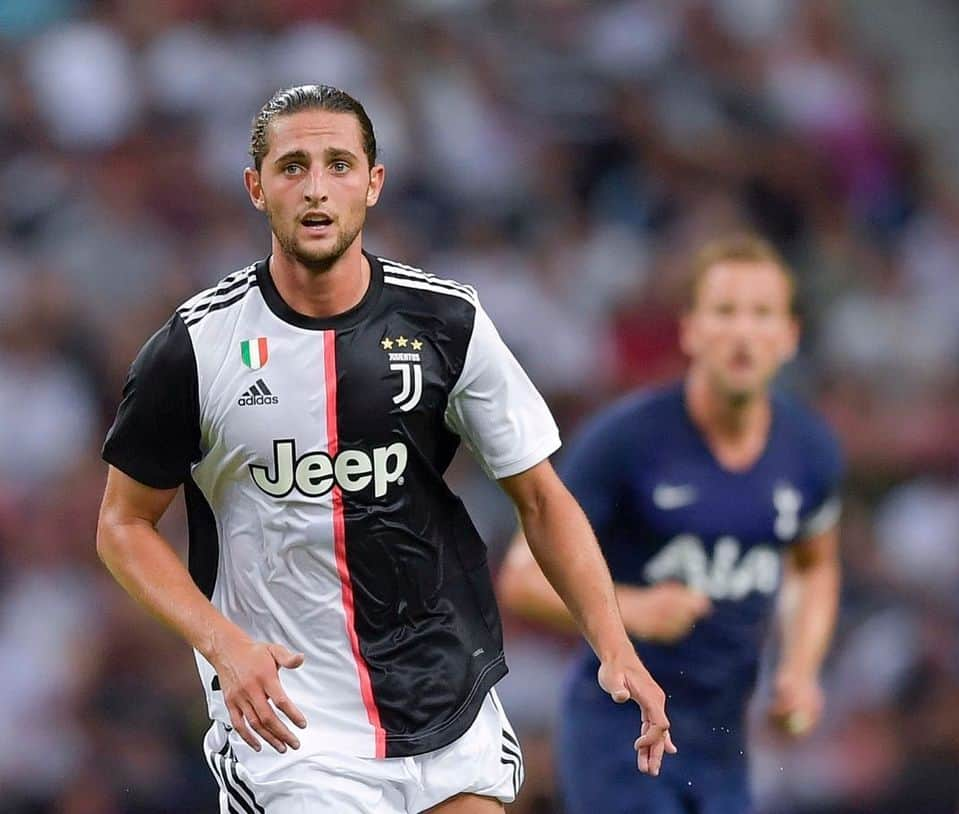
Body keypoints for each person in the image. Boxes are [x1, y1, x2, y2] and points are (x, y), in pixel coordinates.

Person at [95, 84, 673, 814]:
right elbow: (122, 524)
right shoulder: (195, 348)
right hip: (291, 729)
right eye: (292, 166)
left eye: (339, 164)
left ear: (373, 183)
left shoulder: (447, 321)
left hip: (445, 700)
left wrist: (614, 644)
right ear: (255, 187)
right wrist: (223, 645)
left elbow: (541, 497)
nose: (315, 188)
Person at [498, 234, 843, 814]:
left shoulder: (809, 449)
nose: (742, 332)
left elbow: (815, 566)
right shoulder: (626, 442)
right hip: (621, 735)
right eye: (724, 311)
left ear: (788, 337)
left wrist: (801, 669)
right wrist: (632, 609)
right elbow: (520, 580)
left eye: (761, 314)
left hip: (723, 746)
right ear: (691, 329)